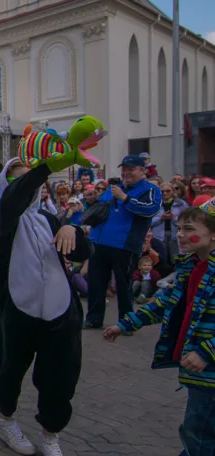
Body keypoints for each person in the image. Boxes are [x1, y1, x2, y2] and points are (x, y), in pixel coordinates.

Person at [0, 153, 94, 456]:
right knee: (10, 369)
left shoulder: (49, 218)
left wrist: (73, 231)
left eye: (30, 176)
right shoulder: (3, 216)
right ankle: (6, 420)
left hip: (60, 312)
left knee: (60, 376)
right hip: (19, 311)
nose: (26, 182)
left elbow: (82, 253)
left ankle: (51, 434)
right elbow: (15, 197)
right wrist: (45, 166)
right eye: (16, 176)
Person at [103, 199, 215, 456]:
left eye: (188, 229)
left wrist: (206, 352)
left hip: (210, 372)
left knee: (199, 435)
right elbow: (165, 303)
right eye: (178, 228)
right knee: (199, 432)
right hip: (201, 374)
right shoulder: (192, 266)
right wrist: (126, 324)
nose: (180, 235)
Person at [84, 155, 162, 329]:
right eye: (124, 169)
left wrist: (125, 198)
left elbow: (150, 210)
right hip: (99, 242)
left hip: (124, 245)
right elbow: (101, 210)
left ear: (142, 171)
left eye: (131, 169)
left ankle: (126, 322)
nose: (126, 173)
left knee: (124, 285)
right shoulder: (114, 187)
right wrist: (92, 203)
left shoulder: (149, 189)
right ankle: (94, 318)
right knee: (96, 282)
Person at [152, 182, 189, 263]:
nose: (165, 193)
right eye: (162, 191)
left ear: (173, 191)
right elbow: (148, 221)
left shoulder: (181, 204)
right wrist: (161, 219)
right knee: (162, 258)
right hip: (158, 236)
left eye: (168, 191)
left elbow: (187, 220)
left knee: (176, 258)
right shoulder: (154, 203)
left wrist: (174, 218)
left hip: (176, 234)